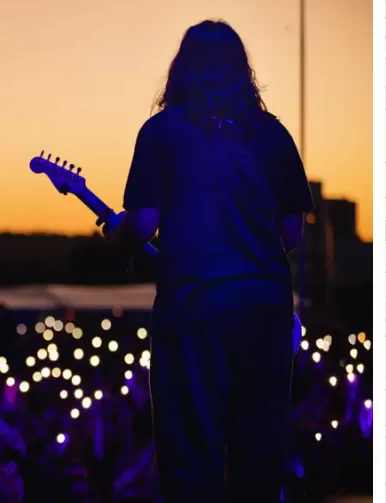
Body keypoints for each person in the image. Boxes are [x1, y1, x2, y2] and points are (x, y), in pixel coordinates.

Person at [104, 20, 313, 503]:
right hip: (265, 311)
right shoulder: (273, 134)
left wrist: (118, 232)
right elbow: (291, 234)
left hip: (193, 311)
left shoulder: (162, 132)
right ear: (242, 70)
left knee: (190, 454)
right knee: (259, 454)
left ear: (182, 68)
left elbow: (143, 224)